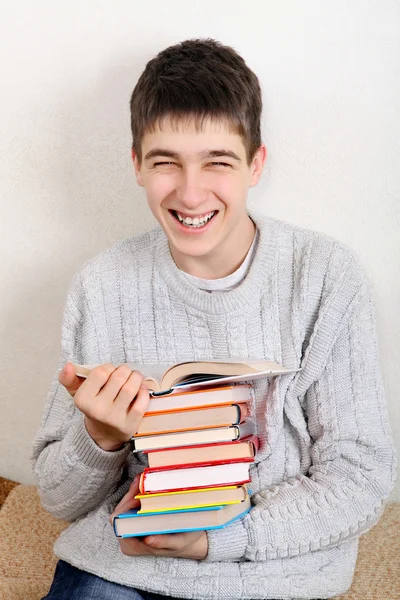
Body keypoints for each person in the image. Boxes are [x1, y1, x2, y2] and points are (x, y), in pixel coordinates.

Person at [32, 38, 396, 600]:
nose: (191, 190)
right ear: (137, 165)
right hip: (129, 561)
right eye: (165, 162)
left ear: (256, 164)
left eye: (217, 162)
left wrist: (219, 540)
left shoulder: (325, 277)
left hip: (273, 565)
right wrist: (100, 439)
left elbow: (361, 478)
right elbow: (58, 501)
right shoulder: (102, 284)